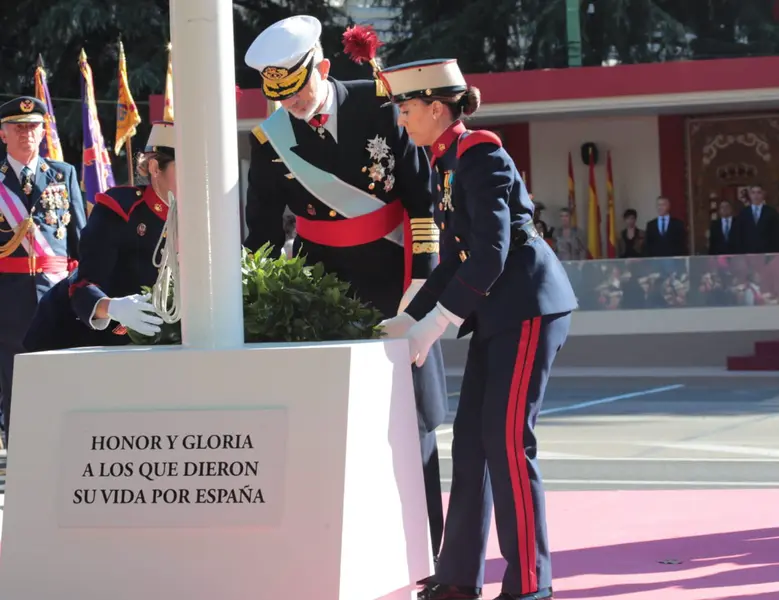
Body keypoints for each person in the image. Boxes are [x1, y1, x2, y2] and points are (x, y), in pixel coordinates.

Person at [243, 16, 448, 561]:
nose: (292, 105)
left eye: (300, 90)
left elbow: (423, 199)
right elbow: (260, 232)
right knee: (327, 425)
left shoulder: (380, 105)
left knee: (413, 418)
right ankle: (337, 549)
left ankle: (428, 548)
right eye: (278, 97)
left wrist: (422, 283)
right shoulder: (270, 140)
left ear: (324, 67)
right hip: (320, 287)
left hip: (395, 276)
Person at [378, 59, 578, 600]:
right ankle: (459, 580)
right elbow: (453, 258)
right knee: (470, 445)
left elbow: (492, 251)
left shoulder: (480, 152)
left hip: (528, 305)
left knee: (509, 443)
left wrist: (438, 322)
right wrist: (411, 314)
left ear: (437, 108)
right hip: (498, 312)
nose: (401, 117)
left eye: (407, 107)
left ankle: (530, 587)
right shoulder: (445, 161)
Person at [23, 122, 177, 353]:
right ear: (155, 168)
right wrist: (113, 307)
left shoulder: (199, 218)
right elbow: (83, 285)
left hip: (149, 346)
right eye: (186, 167)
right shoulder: (120, 210)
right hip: (73, 339)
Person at [0, 96, 87, 446]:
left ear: (43, 131)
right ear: (3, 134)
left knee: (60, 373)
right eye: (18, 128)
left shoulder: (63, 173)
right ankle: (21, 450)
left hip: (55, 292)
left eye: (33, 127)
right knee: (13, 376)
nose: (26, 134)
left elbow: (80, 238)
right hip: (8, 297)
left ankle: (63, 445)